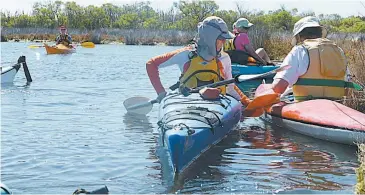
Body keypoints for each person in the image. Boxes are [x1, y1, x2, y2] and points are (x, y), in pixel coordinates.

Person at [146, 16, 251, 107]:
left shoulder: (224, 58)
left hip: (218, 105)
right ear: (210, 38)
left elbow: (230, 88)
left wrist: (247, 103)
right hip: (187, 103)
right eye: (221, 39)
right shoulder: (185, 55)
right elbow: (152, 64)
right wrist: (160, 92)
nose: (224, 42)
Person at [272, 16, 353, 101]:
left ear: (299, 36)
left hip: (305, 109)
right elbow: (348, 87)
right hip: (336, 108)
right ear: (320, 33)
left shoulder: (300, 50)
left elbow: (278, 88)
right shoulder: (339, 51)